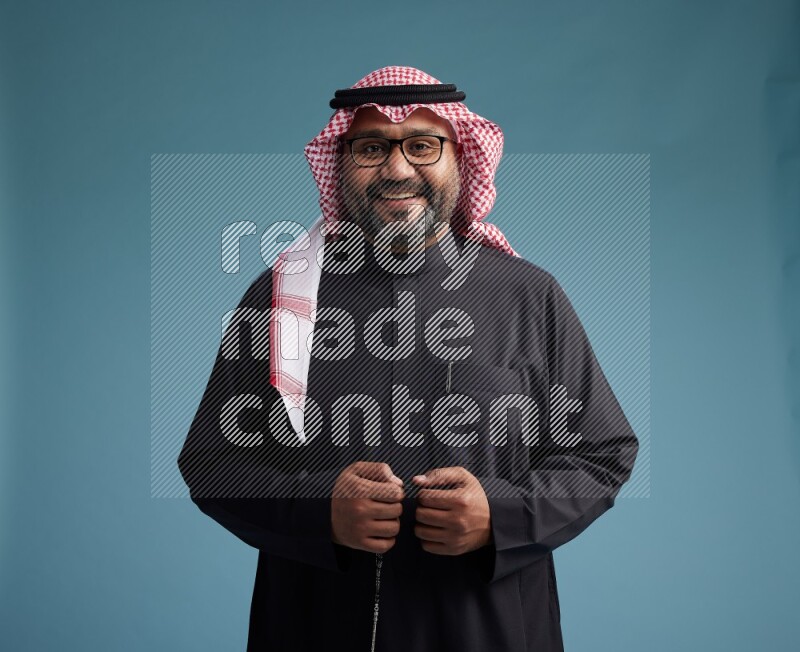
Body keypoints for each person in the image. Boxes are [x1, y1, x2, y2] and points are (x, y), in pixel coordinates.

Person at [178, 65, 639, 652]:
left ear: (460, 157)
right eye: (371, 148)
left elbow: (602, 453)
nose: (397, 170)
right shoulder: (280, 298)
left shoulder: (528, 295)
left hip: (487, 627)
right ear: (341, 160)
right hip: (315, 624)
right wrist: (320, 511)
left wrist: (501, 516)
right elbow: (213, 464)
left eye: (422, 146)